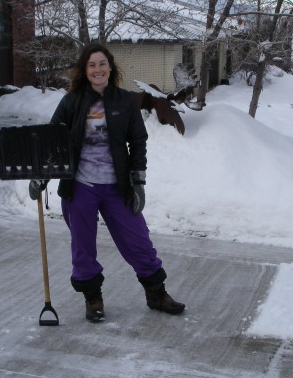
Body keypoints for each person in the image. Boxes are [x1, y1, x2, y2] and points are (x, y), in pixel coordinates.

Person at [35, 43, 185, 323]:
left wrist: (138, 181)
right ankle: (93, 299)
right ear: (84, 70)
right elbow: (53, 140)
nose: (97, 69)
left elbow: (138, 141)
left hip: (117, 186)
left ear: (110, 67)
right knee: (83, 248)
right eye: (92, 65)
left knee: (139, 240)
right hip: (80, 186)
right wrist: (41, 175)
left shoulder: (125, 101)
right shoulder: (71, 101)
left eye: (102, 63)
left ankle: (156, 293)